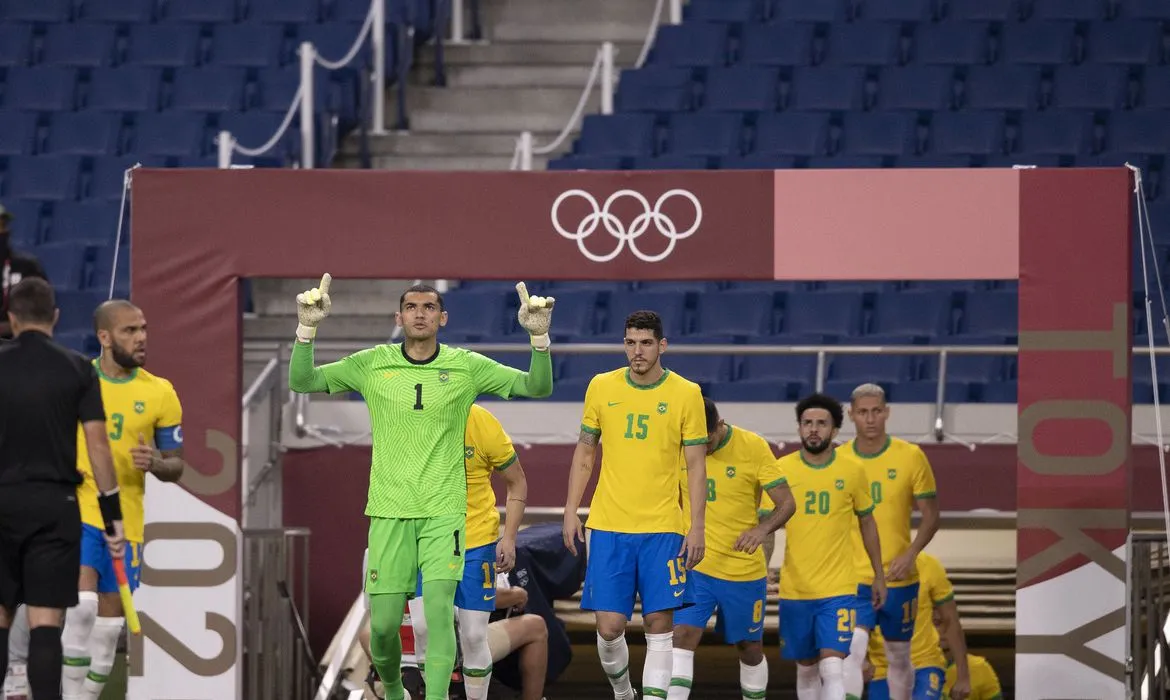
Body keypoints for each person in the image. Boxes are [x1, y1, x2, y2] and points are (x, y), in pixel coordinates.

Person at [288, 276, 554, 700]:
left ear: (442, 318)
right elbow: (303, 382)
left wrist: (539, 339)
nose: (420, 313)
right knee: (382, 628)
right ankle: (393, 691)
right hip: (389, 511)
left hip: (444, 514)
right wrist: (306, 331)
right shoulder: (372, 362)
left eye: (429, 307)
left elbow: (537, 386)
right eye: (411, 307)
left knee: (437, 617)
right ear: (399, 317)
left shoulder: (465, 365)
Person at [562, 310, 708, 700]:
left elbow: (695, 466)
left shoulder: (686, 393)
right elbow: (585, 452)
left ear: (662, 345)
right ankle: (624, 692)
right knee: (609, 628)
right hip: (609, 525)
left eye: (645, 343)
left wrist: (697, 526)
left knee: (660, 625)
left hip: (663, 528)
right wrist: (571, 510)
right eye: (630, 342)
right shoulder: (601, 386)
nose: (637, 351)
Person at [54, 300, 188, 699]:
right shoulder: (77, 380)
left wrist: (156, 465)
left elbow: (177, 465)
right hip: (79, 511)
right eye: (130, 330)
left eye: (143, 328)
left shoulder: (161, 392)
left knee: (109, 630)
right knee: (81, 609)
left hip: (127, 520)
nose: (142, 337)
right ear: (104, 337)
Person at [0, 278, 125, 700]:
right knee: (46, 626)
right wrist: (112, 517)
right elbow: (98, 447)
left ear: (11, 318)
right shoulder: (77, 369)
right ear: (55, 316)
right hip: (56, 506)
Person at [667, 397, 796, 700]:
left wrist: (762, 529)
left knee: (749, 648)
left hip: (742, 570)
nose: (702, 446)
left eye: (707, 439)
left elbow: (787, 503)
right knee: (682, 637)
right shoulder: (678, 445)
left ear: (720, 426)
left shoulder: (752, 446)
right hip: (695, 566)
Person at [409, 403, 529, 700]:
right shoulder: (414, 420)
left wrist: (509, 537)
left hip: (477, 541)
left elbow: (517, 481)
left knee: (474, 635)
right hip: (428, 541)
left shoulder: (483, 423)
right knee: (424, 628)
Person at [775, 393, 885, 700]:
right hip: (795, 589)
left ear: (835, 430)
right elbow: (764, 525)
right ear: (799, 428)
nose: (813, 429)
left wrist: (879, 574)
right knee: (806, 668)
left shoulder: (852, 471)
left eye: (821, 423)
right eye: (807, 423)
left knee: (834, 665)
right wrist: (758, 569)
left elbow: (867, 522)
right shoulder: (781, 469)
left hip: (838, 589)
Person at [841, 384, 941, 700]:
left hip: (900, 577)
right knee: (853, 650)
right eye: (862, 412)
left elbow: (931, 516)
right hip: (854, 577)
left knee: (899, 656)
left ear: (887, 413)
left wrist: (912, 554)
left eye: (875, 411)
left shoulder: (911, 457)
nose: (870, 419)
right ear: (850, 415)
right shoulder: (839, 460)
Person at [359, 569, 550, 700]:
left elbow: (372, 618)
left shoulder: (376, 551)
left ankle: (396, 680)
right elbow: (484, 597)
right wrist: (517, 595)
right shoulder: (450, 540)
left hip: (403, 653)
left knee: (369, 633)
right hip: (455, 645)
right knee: (535, 626)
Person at [865, 552, 970, 700]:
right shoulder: (863, 568)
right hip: (882, 669)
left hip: (924, 663)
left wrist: (963, 676)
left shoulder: (928, 565)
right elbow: (857, 619)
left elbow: (950, 619)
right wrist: (862, 658)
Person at [0, 204, 47, 340]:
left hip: (21, 345)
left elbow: (42, 314)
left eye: (3, 225)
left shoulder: (27, 267)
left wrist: (12, 326)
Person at [934, 609, 999, 699]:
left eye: (950, 624)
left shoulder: (979, 667)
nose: (945, 629)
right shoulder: (911, 668)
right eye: (937, 623)